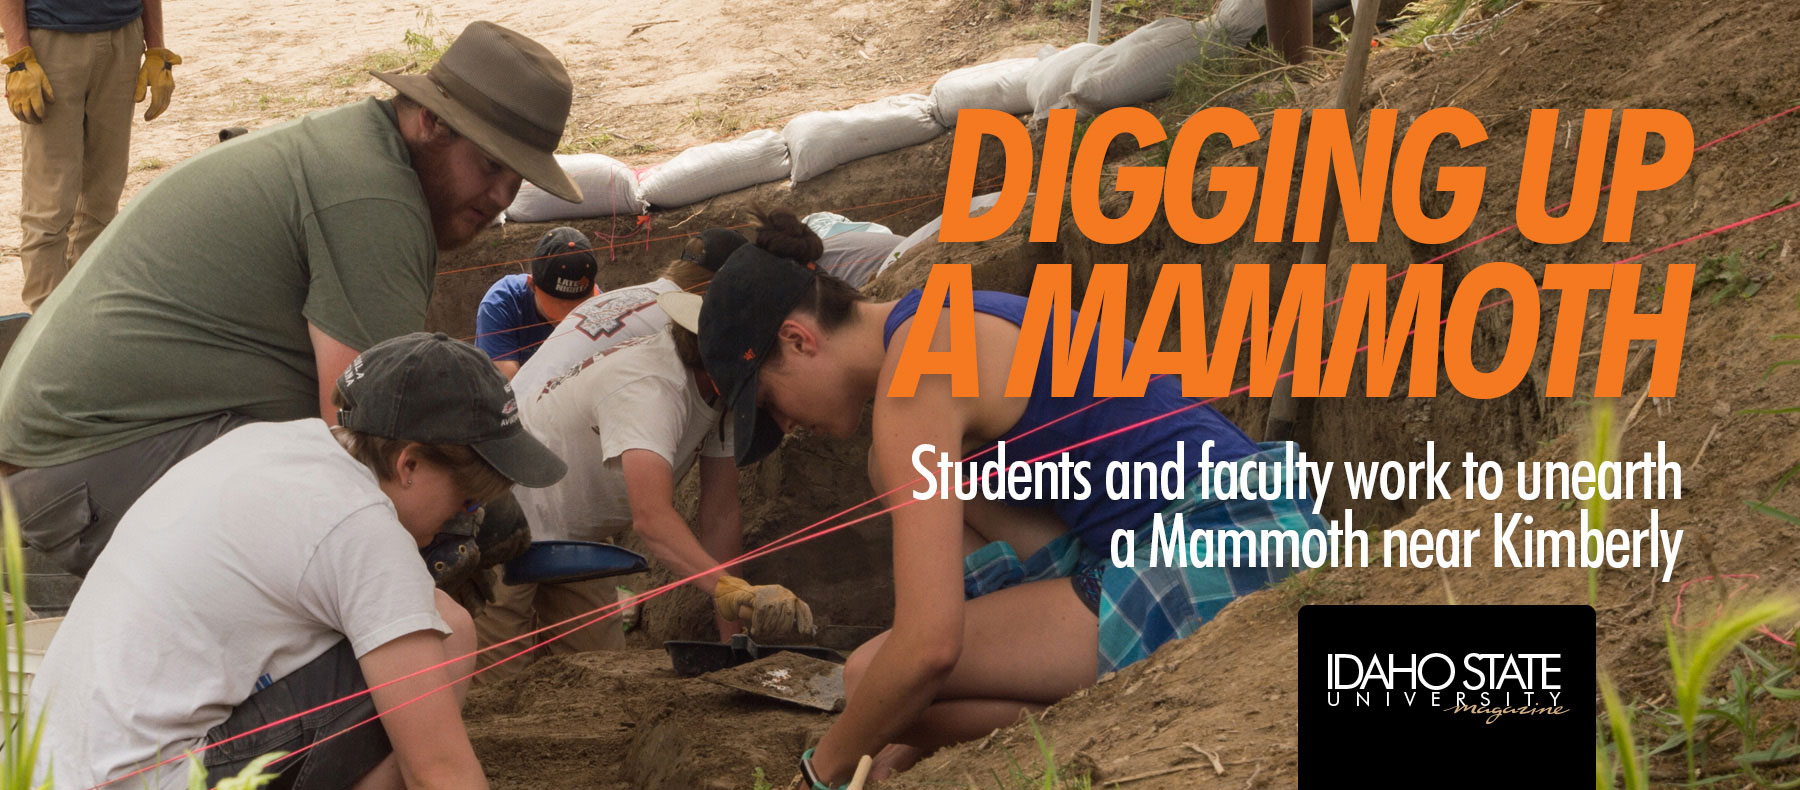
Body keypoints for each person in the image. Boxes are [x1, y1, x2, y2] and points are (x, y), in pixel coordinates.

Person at [672, 246, 1327, 787]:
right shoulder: (939, 320)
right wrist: (896, 739)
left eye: (773, 402)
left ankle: (1079, 683)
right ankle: (1078, 693)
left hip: (1220, 550)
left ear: (798, 338)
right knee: (897, 705)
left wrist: (823, 771)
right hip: (1245, 519)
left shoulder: (913, 383)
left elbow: (928, 646)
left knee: (872, 678)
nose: (786, 427)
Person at [0, 20, 583, 578]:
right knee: (364, 536)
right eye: (489, 164)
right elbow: (364, 446)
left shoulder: (359, 152)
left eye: (518, 177)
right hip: (82, 470)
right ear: (430, 120)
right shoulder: (375, 204)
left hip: (74, 449)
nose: (502, 195)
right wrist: (457, 515)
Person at [29, 331, 568, 790]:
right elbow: (439, 769)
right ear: (408, 464)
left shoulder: (275, 444)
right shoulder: (359, 525)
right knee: (447, 631)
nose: (460, 519)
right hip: (154, 776)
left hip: (58, 766)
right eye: (466, 500)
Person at [474, 300, 813, 681]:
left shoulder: (722, 395)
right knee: (497, 682)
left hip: (573, 531)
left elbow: (720, 514)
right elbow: (652, 518)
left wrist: (732, 644)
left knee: (600, 675)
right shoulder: (651, 388)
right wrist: (730, 589)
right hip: (505, 511)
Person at [2, 0, 174, 311]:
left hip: (123, 38)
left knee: (102, 201)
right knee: (50, 207)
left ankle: (87, 321)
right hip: (51, 42)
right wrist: (19, 58)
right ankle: (48, 332)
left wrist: (157, 49)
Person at [511, 226, 747, 402]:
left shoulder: (622, 297)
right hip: (540, 438)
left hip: (512, 418)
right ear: (721, 290)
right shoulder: (679, 325)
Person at [474, 225, 600, 378]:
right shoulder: (501, 304)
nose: (566, 319)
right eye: (560, 306)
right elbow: (506, 390)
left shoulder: (599, 306)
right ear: (532, 285)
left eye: (578, 307)